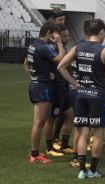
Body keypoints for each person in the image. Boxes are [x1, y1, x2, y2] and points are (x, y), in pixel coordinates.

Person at [57, 19, 105, 179]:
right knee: (98, 134)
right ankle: (92, 170)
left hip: (81, 94)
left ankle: (81, 170)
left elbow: (60, 67)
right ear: (101, 32)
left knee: (82, 132)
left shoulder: (77, 47)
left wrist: (75, 83)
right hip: (98, 96)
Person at [23, 22, 65, 163]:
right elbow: (60, 59)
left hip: (35, 85)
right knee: (39, 122)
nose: (57, 36)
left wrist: (37, 76)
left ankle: (34, 152)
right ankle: (35, 155)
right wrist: (59, 43)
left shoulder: (33, 44)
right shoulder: (43, 47)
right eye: (55, 33)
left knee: (39, 122)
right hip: (42, 87)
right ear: (48, 32)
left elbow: (26, 64)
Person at [44, 24, 72, 156]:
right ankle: (49, 148)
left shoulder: (63, 47)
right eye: (65, 35)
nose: (67, 37)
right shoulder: (52, 48)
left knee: (70, 116)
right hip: (56, 88)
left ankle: (65, 145)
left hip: (64, 87)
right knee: (51, 119)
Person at [69, 19, 91, 169]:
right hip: (84, 91)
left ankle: (76, 156)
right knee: (82, 127)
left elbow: (63, 65)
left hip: (77, 90)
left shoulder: (77, 46)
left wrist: (73, 82)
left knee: (81, 126)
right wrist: (76, 83)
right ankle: (76, 158)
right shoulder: (89, 47)